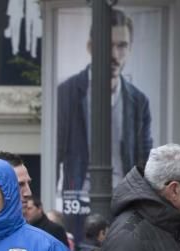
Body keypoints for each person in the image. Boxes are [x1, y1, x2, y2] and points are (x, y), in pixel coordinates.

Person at [56, 9, 152, 220]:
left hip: (127, 205)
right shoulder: (67, 92)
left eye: (122, 46)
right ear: (91, 46)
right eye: (108, 45)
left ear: (130, 49)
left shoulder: (138, 101)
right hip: (78, 202)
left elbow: (146, 160)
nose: (114, 55)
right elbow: (57, 151)